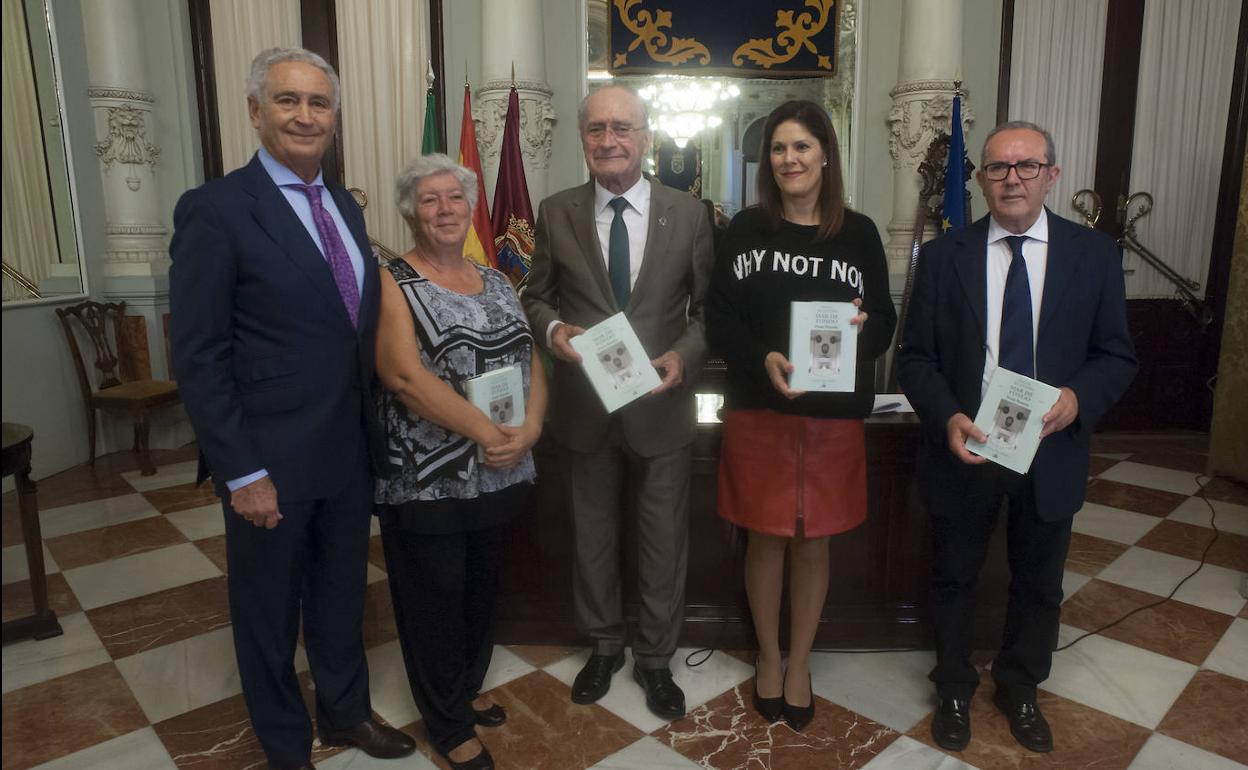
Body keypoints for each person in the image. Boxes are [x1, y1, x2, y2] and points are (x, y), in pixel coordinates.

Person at [169, 48, 415, 770]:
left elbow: (348, 327)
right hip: (268, 458)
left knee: (340, 594)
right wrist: (241, 472)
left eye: (319, 103)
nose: (305, 116)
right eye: (288, 100)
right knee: (268, 610)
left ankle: (345, 714)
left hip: (346, 449)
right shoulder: (215, 209)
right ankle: (284, 743)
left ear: (334, 118)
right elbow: (199, 355)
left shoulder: (343, 204)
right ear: (256, 111)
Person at [897, 121, 1136, 753]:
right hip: (967, 445)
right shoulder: (945, 256)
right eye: (999, 168)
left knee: (1039, 582)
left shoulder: (1093, 256)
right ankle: (953, 687)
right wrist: (947, 415)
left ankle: (1020, 686)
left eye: (1027, 166)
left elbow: (1116, 355)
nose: (1012, 179)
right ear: (981, 180)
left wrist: (1077, 399)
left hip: (1051, 450)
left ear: (1051, 175)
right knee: (954, 575)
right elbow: (915, 359)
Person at [521, 85, 714, 720]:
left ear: (645, 137)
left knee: (663, 543)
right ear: (583, 138)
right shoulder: (556, 211)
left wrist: (682, 357)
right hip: (585, 410)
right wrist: (554, 330)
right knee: (592, 538)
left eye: (622, 128)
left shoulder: (689, 213)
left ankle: (656, 659)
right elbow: (535, 296)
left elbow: (708, 311)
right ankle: (603, 647)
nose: (609, 140)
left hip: (661, 408)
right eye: (597, 129)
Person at [705, 100, 896, 730]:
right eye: (779, 148)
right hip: (760, 409)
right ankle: (768, 655)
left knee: (815, 540)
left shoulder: (859, 233)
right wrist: (762, 359)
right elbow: (720, 318)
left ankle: (801, 663)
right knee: (765, 537)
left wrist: (864, 330)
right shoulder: (744, 230)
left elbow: (884, 320)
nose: (790, 159)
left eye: (802, 146)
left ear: (825, 155)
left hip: (832, 416)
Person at [372, 153, 545, 770]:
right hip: (427, 479)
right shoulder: (393, 282)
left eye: (454, 197)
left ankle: (466, 689)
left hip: (498, 469)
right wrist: (487, 432)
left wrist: (531, 428)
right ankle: (446, 724)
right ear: (410, 212)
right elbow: (402, 376)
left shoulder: (495, 278)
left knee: (479, 588)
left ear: (470, 207)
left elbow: (531, 359)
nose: (445, 209)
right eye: (430, 199)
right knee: (434, 598)